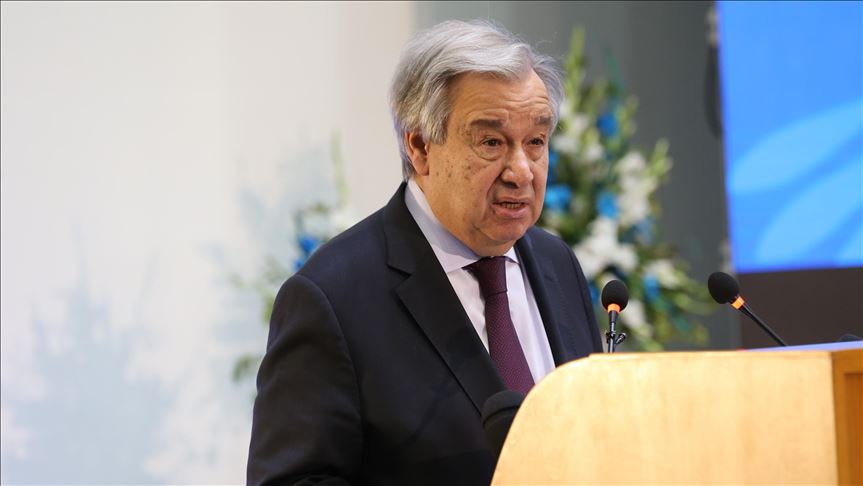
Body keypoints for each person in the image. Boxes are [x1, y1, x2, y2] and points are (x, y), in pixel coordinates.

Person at [247, 19, 602, 486]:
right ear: (419, 147)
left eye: (535, 142)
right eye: (491, 142)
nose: (521, 171)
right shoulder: (331, 299)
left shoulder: (557, 264)